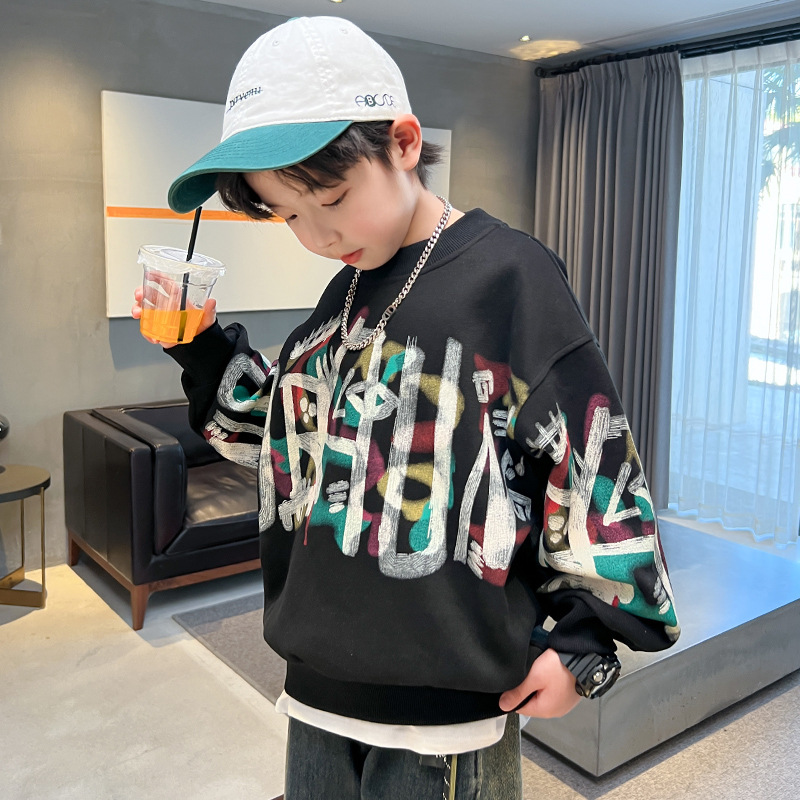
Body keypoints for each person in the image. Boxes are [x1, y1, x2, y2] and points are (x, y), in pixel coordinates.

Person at [133, 16, 679, 799]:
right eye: (289, 215)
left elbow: (594, 462)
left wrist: (587, 644)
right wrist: (200, 346)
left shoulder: (511, 277)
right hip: (316, 691)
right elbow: (293, 444)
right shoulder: (346, 288)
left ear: (405, 142)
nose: (319, 235)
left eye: (332, 197)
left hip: (447, 715)